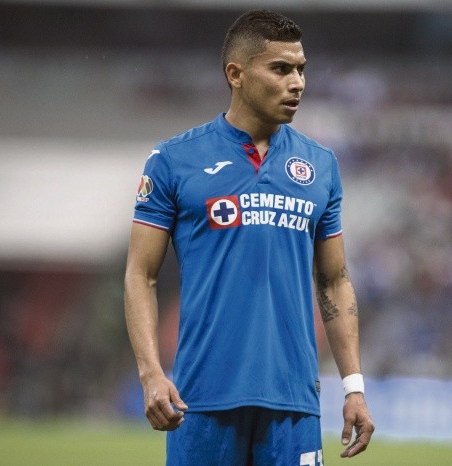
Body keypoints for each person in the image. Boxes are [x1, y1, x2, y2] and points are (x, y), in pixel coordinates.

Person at [124, 9, 374, 465]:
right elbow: (141, 275)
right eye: (280, 69)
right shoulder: (173, 160)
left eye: (300, 69)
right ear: (235, 74)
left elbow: (334, 280)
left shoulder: (320, 165)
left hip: (294, 400)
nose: (297, 83)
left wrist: (353, 387)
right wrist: (150, 373)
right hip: (200, 400)